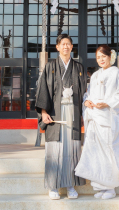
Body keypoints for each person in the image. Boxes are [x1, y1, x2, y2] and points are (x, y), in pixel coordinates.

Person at [35, 33, 88, 200]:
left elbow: (85, 93)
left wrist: (85, 113)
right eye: (62, 44)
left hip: (73, 114)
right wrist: (44, 112)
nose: (66, 46)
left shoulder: (79, 67)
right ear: (57, 47)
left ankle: (71, 185)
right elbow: (42, 90)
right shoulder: (50, 66)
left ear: (72, 47)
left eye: (68, 44)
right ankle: (53, 186)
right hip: (55, 114)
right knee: (55, 150)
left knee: (72, 150)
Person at [75, 44, 119, 200]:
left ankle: (110, 188)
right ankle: (100, 186)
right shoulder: (95, 75)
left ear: (110, 57)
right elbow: (88, 94)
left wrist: (107, 103)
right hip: (95, 119)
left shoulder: (115, 72)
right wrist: (87, 102)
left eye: (103, 56)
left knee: (107, 152)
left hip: (108, 119)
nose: (101, 60)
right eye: (98, 57)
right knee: (96, 153)